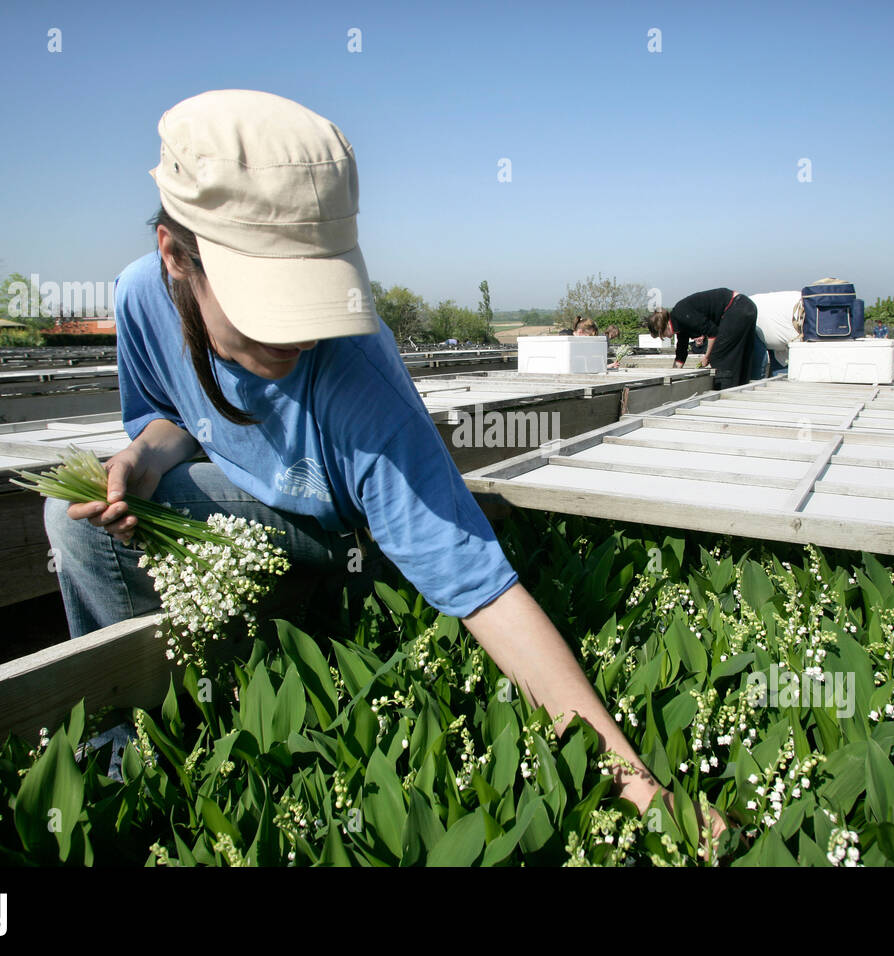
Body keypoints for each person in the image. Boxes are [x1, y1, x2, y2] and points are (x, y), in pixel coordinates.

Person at [43, 90, 718, 834]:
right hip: (238, 493)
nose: (296, 335)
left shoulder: (353, 380)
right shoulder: (141, 299)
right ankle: (143, 729)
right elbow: (170, 415)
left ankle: (280, 640)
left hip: (333, 534)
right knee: (72, 519)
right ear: (176, 256)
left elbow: (483, 590)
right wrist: (143, 456)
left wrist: (639, 791)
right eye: (266, 302)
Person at [646, 288, 758, 389]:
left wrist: (707, 357)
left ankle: (725, 393)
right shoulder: (679, 324)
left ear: (663, 327)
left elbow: (713, 332)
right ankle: (742, 386)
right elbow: (681, 353)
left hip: (737, 308)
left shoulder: (682, 314)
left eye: (662, 335)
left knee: (718, 357)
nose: (664, 337)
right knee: (740, 354)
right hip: (745, 307)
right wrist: (671, 375)